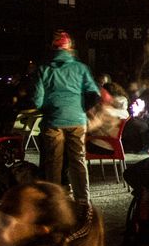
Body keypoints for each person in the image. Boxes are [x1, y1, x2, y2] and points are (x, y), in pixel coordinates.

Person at [32, 30, 99, 203]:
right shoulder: (80, 68)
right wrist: (81, 108)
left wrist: (50, 107)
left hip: (53, 121)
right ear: (70, 48)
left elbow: (37, 100)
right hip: (77, 120)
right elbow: (94, 93)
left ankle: (56, 201)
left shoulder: (44, 69)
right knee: (78, 161)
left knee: (53, 163)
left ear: (52, 49)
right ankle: (83, 200)